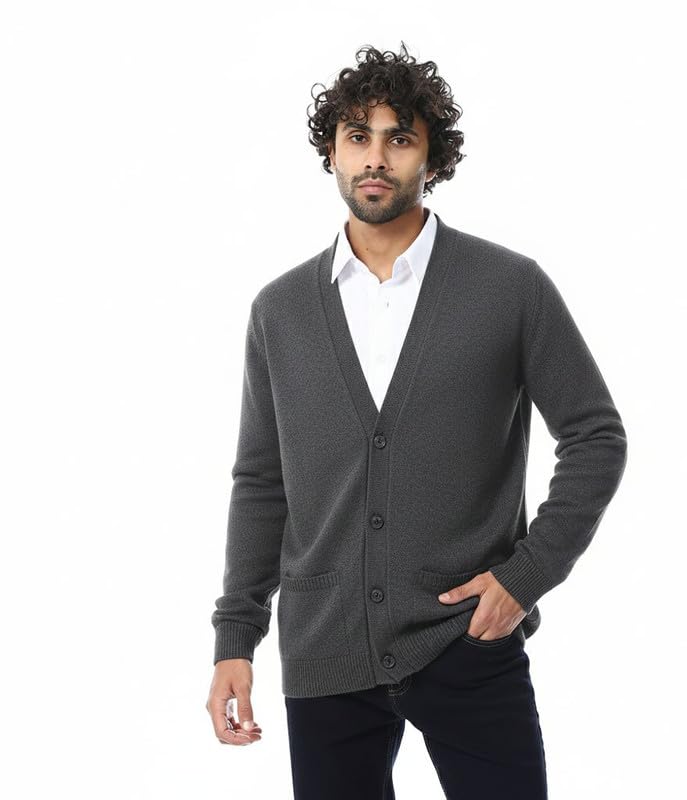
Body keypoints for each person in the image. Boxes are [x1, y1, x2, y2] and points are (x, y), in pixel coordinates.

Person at [206, 42, 627, 799]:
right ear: (331, 153)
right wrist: (236, 635)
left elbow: (596, 436)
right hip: (325, 649)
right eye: (357, 136)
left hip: (469, 639)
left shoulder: (509, 287)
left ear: (432, 157)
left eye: (399, 138)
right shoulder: (281, 311)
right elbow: (263, 481)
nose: (376, 157)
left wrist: (526, 576)